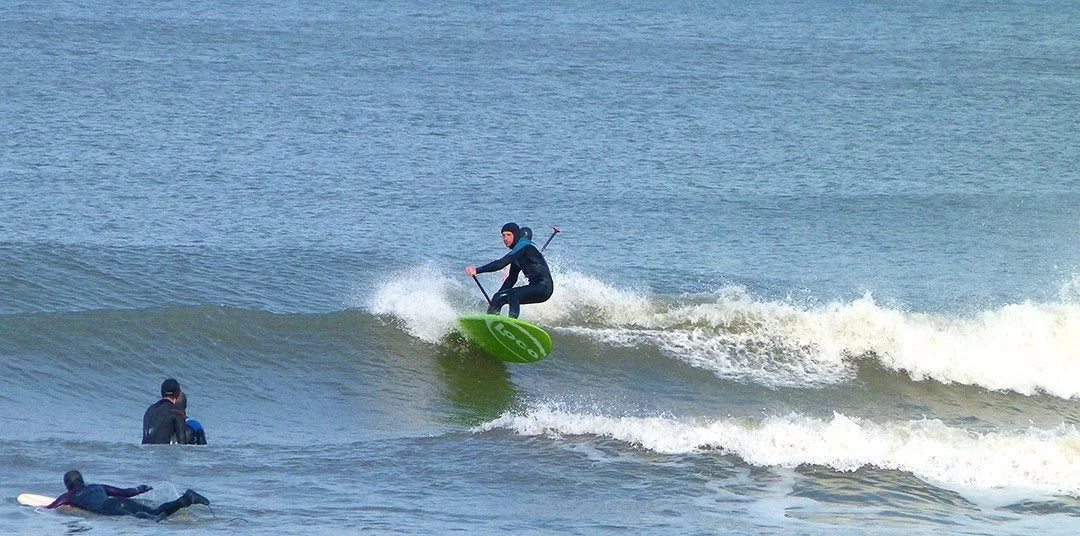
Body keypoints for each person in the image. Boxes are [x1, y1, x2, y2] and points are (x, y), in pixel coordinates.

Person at [45, 470, 208, 521]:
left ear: (67, 485)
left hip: (107, 507)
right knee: (155, 510)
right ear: (82, 480)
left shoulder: (68, 496)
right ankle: (186, 499)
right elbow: (126, 492)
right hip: (117, 500)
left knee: (138, 518)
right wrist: (141, 489)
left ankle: (156, 520)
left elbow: (50, 507)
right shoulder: (96, 486)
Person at [465, 222, 553, 318]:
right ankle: (490, 321)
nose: (505, 238)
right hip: (535, 288)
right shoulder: (517, 254)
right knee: (498, 297)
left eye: (508, 235)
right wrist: (496, 298)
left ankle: (512, 322)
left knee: (513, 294)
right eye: (503, 235)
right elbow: (511, 279)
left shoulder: (525, 246)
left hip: (543, 287)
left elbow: (500, 264)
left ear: (516, 235)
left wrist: (477, 270)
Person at [142, 378, 193, 444]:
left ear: (162, 392)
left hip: (145, 452)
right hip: (162, 452)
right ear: (178, 394)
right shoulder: (177, 411)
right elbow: (182, 443)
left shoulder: (149, 409)